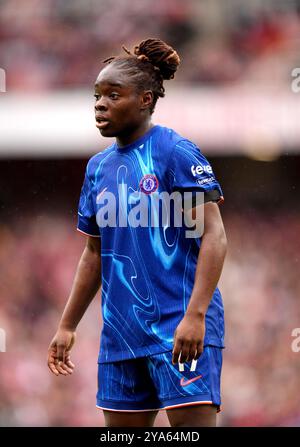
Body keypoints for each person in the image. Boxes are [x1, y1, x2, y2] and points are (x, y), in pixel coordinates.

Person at [47, 38, 227, 428]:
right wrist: (67, 325)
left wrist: (195, 315)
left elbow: (214, 236)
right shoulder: (97, 169)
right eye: (96, 95)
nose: (99, 103)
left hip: (180, 326)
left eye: (113, 94)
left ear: (145, 99)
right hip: (121, 337)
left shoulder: (175, 152)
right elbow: (93, 254)